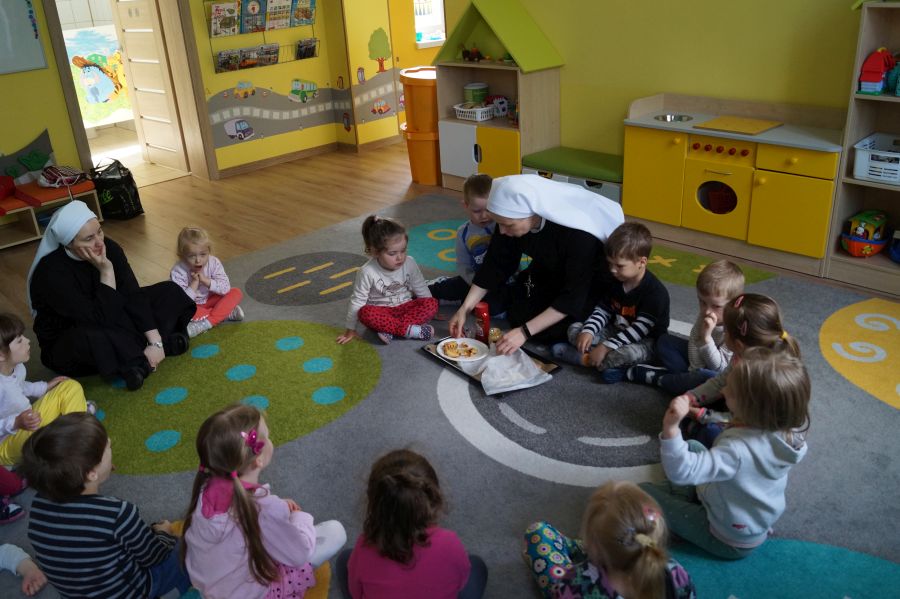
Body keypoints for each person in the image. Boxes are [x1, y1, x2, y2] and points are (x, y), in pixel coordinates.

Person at [640, 347, 810, 559]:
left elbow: (680, 472)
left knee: (640, 494)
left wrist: (671, 428)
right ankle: (686, 497)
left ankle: (681, 510)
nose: (724, 389)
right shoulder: (778, 430)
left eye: (731, 388)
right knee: (692, 445)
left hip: (726, 537)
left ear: (749, 406)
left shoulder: (737, 451)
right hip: (749, 517)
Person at [27, 201, 196, 391]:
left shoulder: (109, 247)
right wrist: (106, 271)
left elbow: (132, 294)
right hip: (75, 336)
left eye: (99, 232)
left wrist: (154, 340)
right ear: (69, 243)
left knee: (169, 291)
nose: (99, 242)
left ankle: (149, 352)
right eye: (89, 239)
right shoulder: (50, 274)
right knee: (97, 337)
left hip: (110, 314)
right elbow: (99, 319)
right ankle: (142, 358)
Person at [18, 412, 191, 597]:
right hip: (132, 592)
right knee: (188, 547)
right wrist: (165, 534)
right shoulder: (116, 514)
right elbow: (154, 557)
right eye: (108, 447)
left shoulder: (38, 504)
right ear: (91, 473)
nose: (110, 445)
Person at [183, 404, 347, 599]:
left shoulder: (205, 488)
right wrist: (298, 517)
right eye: (267, 436)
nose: (270, 440)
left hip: (210, 588)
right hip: (252, 594)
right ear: (258, 459)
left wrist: (278, 507)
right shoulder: (264, 510)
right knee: (335, 531)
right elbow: (299, 554)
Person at [448, 174, 624, 355]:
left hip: (588, 283)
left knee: (553, 330)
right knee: (519, 311)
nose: (502, 231)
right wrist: (465, 309)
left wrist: (524, 332)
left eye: (508, 225)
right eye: (499, 224)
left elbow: (573, 296)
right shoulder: (510, 221)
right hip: (551, 269)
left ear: (531, 214)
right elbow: (495, 265)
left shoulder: (579, 236)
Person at [335, 449, 487, 599]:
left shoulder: (364, 547)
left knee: (344, 559)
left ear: (373, 503)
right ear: (434, 499)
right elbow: (461, 582)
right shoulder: (450, 543)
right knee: (477, 566)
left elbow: (356, 593)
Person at [523, 480, 695, 599]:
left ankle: (602, 545)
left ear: (593, 548)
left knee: (539, 532)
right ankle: (611, 545)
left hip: (572, 583)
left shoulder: (579, 584)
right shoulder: (676, 573)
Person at [550, 222, 669, 383]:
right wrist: (589, 331)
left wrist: (606, 347)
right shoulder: (614, 280)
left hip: (646, 341)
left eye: (619, 266)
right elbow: (603, 311)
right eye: (610, 263)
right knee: (575, 329)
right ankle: (603, 363)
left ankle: (585, 360)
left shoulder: (655, 293)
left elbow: (638, 330)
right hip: (616, 331)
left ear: (642, 262)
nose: (612, 270)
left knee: (626, 354)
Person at [678, 293, 800, 447]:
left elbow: (743, 422)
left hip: (754, 430)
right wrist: (691, 397)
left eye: (725, 330)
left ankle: (694, 430)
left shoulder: (758, 377)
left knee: (711, 432)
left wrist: (703, 415)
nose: (723, 332)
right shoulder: (742, 355)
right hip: (740, 407)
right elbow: (721, 382)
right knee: (703, 377)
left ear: (738, 344)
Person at [627, 260, 745, 395]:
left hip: (718, 374)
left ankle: (662, 379)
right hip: (699, 363)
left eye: (716, 306)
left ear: (734, 304)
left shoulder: (735, 328)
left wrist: (706, 339)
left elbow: (720, 369)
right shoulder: (706, 315)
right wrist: (693, 370)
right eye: (702, 302)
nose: (706, 311)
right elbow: (694, 343)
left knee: (706, 376)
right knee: (664, 341)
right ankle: (686, 381)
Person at [0, 313, 89, 469]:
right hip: (6, 443)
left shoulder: (17, 368)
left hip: (28, 421)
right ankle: (78, 435)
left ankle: (76, 433)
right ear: (1, 355)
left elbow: (20, 386)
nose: (28, 341)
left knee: (70, 385)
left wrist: (45, 387)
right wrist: (15, 422)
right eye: (19, 341)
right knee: (46, 435)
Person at [337, 215, 438, 345]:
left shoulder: (410, 262)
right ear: (375, 252)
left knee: (431, 303)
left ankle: (390, 329)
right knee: (365, 313)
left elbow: (421, 287)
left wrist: (431, 312)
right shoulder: (366, 271)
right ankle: (410, 330)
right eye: (392, 253)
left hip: (406, 307)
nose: (400, 257)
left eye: (403, 250)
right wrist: (350, 329)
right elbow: (358, 300)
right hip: (381, 312)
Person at [428, 174, 505, 314]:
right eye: (477, 211)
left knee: (494, 308)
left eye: (489, 209)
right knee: (440, 289)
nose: (484, 215)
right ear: (466, 205)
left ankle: (460, 300)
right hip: (474, 281)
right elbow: (463, 265)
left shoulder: (503, 226)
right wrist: (474, 283)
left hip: (501, 283)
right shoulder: (463, 233)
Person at [170, 226, 245, 338]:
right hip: (193, 307)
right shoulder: (178, 271)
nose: (198, 260)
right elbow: (182, 303)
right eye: (192, 256)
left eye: (203, 254)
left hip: (210, 299)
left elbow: (225, 288)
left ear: (209, 251)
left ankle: (206, 323)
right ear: (182, 256)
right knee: (177, 313)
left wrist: (206, 281)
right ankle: (224, 314)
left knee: (236, 292)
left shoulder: (213, 262)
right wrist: (194, 283)